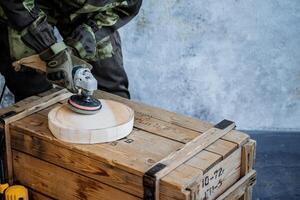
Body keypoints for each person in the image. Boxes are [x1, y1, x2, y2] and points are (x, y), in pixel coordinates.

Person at [0, 0, 142, 102]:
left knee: (113, 93)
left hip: (89, 10)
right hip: (29, 7)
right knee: (32, 90)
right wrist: (50, 50)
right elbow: (15, 4)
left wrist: (91, 32)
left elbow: (129, 6)